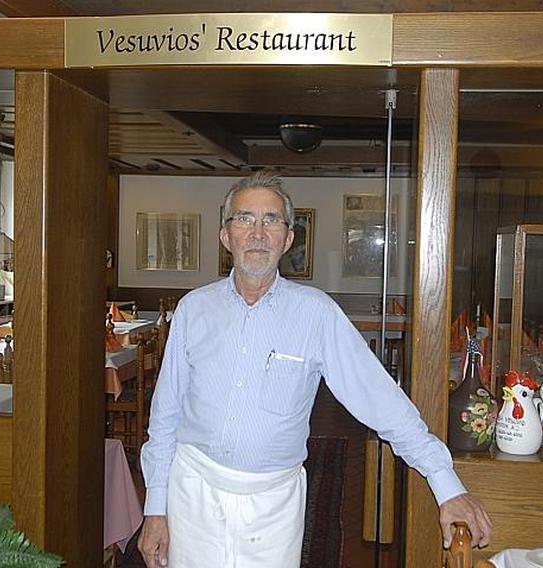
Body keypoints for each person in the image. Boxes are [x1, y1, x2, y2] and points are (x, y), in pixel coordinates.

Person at [138, 172, 492, 568]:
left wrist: (446, 485)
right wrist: (155, 509)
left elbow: (380, 399)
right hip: (193, 495)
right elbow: (165, 416)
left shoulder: (316, 313)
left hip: (273, 505)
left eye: (271, 220)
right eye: (244, 219)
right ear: (226, 236)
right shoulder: (193, 310)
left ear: (288, 239)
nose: (257, 232)